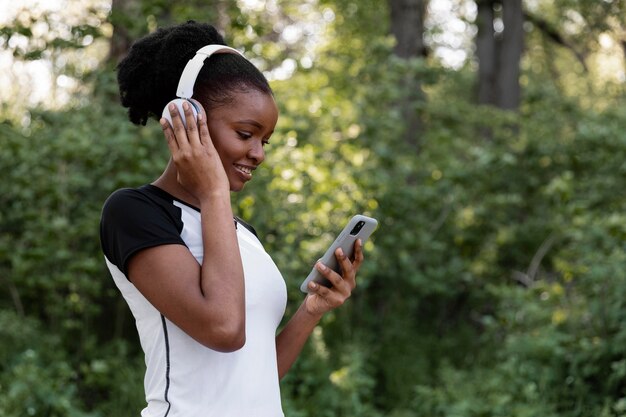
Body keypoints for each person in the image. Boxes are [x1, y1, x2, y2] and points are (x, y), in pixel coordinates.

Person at [99, 21, 365, 417]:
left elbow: (255, 375)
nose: (258, 154)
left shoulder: (240, 232)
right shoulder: (135, 212)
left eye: (265, 141)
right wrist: (212, 191)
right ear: (190, 120)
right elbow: (223, 329)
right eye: (245, 134)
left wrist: (311, 310)